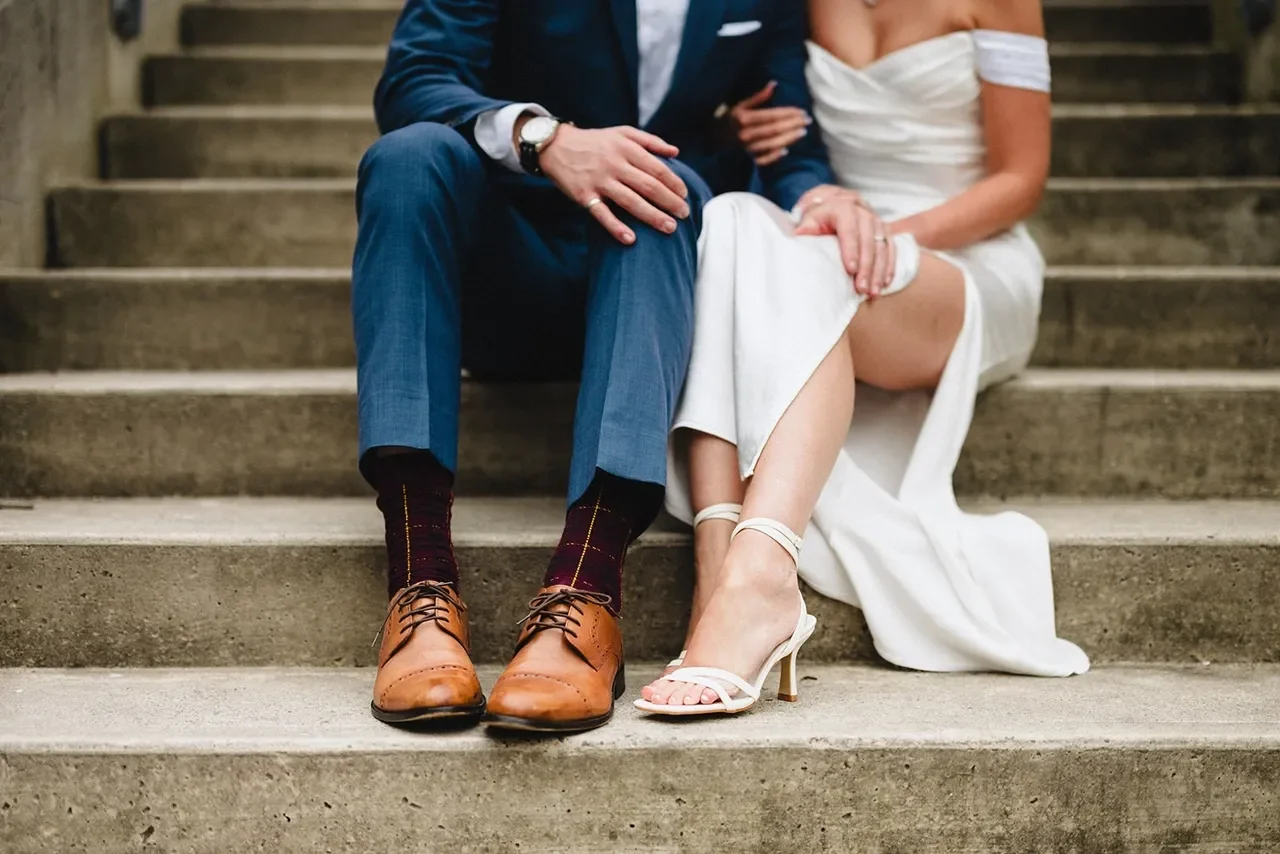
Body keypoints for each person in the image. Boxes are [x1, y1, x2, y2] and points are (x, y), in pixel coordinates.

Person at [355, 0, 893, 732]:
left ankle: (585, 591)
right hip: (505, 272)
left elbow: (786, 135)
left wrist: (816, 191)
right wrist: (545, 138)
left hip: (652, 288)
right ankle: (420, 589)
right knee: (407, 157)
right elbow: (416, 77)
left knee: (654, 183)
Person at [637, 0, 1090, 716]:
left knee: (794, 265)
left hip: (961, 257)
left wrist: (882, 235)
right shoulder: (795, 4)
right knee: (727, 220)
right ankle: (718, 564)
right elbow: (758, 119)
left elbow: (1021, 178)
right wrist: (734, 133)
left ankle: (760, 573)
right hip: (827, 234)